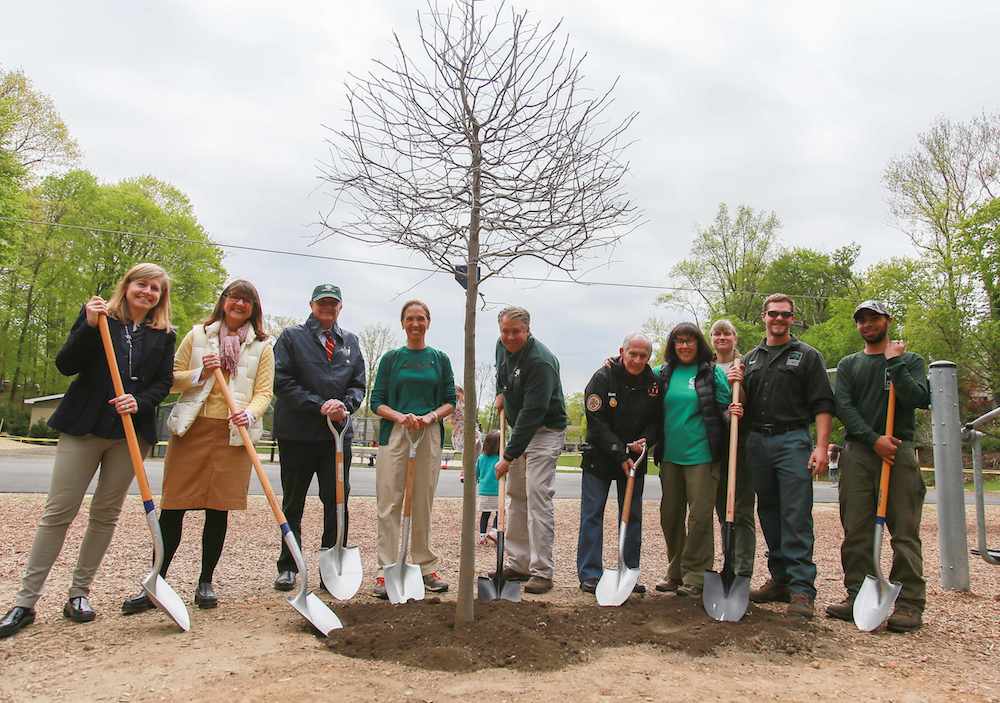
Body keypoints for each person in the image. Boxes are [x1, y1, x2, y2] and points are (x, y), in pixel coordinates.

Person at [0, 263, 175, 638]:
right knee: (59, 511)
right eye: (141, 285)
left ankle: (79, 594)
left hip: (130, 434)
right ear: (126, 286)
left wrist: (139, 402)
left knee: (105, 513)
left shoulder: (163, 335)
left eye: (155, 289)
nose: (147, 292)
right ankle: (25, 602)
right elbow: (66, 364)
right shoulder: (100, 318)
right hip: (85, 425)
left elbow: (162, 383)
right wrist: (89, 326)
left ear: (161, 297)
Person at [121, 280, 273, 613]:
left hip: (233, 434)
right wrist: (200, 373)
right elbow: (170, 378)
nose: (239, 304)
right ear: (224, 301)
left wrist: (249, 413)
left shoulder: (262, 346)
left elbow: (264, 391)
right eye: (234, 297)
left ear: (254, 308)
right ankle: (156, 581)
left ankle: (206, 581)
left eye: (247, 300)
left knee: (218, 509)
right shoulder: (198, 335)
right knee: (173, 508)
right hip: (192, 429)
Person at [826, 300, 930, 632]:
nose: (867, 325)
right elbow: (843, 406)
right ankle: (857, 593)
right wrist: (873, 440)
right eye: (862, 321)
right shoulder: (849, 364)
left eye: (874, 319)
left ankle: (910, 603)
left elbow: (918, 398)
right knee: (855, 528)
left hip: (898, 450)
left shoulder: (910, 361)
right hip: (859, 452)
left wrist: (895, 363)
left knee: (904, 531)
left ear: (887, 320)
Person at [732, 293, 834, 619]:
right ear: (763, 316)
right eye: (773, 314)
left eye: (785, 315)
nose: (778, 319)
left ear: (793, 319)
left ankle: (802, 589)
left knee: (796, 514)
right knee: (770, 512)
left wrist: (820, 447)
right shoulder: (750, 360)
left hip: (793, 441)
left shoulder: (807, 357)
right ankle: (780, 579)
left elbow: (822, 405)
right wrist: (737, 390)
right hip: (757, 442)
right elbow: (743, 404)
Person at [271, 283, 366, 592]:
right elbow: (282, 382)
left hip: (336, 437)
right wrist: (318, 405)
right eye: (322, 302)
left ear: (340, 307)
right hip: (298, 434)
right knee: (293, 501)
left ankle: (332, 562)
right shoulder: (291, 338)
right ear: (311, 305)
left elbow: (358, 385)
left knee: (337, 500)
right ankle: (288, 565)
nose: (328, 307)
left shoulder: (350, 342)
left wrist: (345, 405)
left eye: (333, 303)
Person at [370, 300, 455, 597]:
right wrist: (400, 417)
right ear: (403, 323)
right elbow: (376, 401)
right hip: (396, 433)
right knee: (390, 502)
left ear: (428, 322)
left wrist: (431, 416)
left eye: (421, 319)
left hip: (428, 433)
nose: (415, 324)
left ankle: (424, 564)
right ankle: (387, 568)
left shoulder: (439, 359)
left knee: (422, 501)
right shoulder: (392, 359)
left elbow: (449, 401)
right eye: (410, 319)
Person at [654, 323, 736, 597]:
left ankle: (697, 575)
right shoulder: (663, 373)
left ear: (698, 343)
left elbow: (725, 408)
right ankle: (675, 571)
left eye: (689, 341)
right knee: (670, 516)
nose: (684, 346)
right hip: (670, 456)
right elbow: (634, 375)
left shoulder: (710, 372)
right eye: (679, 341)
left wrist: (732, 413)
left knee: (699, 517)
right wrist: (615, 362)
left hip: (702, 455)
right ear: (673, 345)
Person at [577, 333, 661, 594]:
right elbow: (597, 422)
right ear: (621, 351)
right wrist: (620, 452)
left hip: (635, 459)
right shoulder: (602, 377)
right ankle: (590, 574)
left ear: (649, 357)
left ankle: (628, 572)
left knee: (632, 516)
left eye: (643, 356)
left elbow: (658, 420)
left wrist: (645, 440)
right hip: (600, 457)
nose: (637, 360)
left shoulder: (654, 384)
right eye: (632, 354)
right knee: (592, 515)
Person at [494, 306, 567, 595]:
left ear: (528, 330)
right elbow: (502, 372)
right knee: (516, 497)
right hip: (519, 430)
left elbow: (532, 414)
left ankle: (542, 571)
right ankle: (519, 563)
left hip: (544, 430)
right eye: (505, 331)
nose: (510, 337)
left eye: (516, 332)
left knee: (537, 497)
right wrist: (501, 392)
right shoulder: (501, 346)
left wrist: (508, 457)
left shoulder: (541, 362)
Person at [705, 318, 756, 587]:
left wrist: (742, 388)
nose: (722, 337)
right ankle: (728, 563)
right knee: (721, 507)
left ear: (735, 337)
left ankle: (743, 570)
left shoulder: (745, 365)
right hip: (714, 445)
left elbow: (752, 402)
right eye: (717, 333)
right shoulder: (705, 367)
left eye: (727, 333)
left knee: (742, 508)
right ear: (711, 338)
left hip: (741, 445)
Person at [477, 430, 501, 544]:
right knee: (500, 512)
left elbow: (476, 473)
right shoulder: (500, 459)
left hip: (484, 491)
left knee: (485, 514)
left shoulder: (481, 458)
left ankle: (482, 536)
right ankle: (494, 531)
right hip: (497, 491)